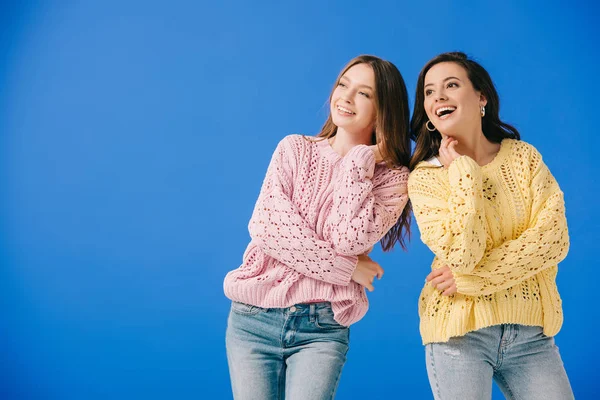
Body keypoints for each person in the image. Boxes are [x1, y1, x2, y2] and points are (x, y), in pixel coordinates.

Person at [223, 55, 411, 399]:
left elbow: (348, 237)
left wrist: (360, 159)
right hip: (253, 318)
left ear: (385, 109)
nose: (346, 97)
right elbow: (268, 229)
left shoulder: (393, 179)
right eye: (343, 85)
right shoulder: (294, 149)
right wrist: (348, 269)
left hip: (321, 325)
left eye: (364, 93)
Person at [407, 51, 573, 400]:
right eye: (429, 92)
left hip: (531, 335)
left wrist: (471, 280)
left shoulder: (523, 157)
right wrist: (463, 173)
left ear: (481, 97)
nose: (438, 97)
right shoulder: (425, 179)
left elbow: (552, 240)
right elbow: (462, 255)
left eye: (451, 85)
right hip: (459, 334)